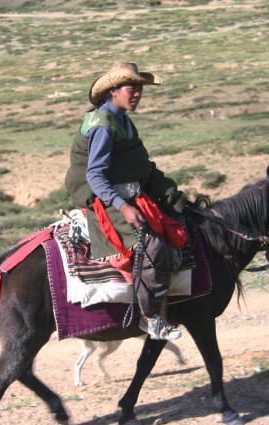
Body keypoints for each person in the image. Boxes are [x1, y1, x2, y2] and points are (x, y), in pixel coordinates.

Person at [65, 62, 188, 340]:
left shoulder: (123, 120)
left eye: (140, 90)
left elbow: (141, 166)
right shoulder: (103, 126)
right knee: (153, 248)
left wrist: (172, 195)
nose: (138, 95)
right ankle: (152, 318)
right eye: (132, 89)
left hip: (130, 192)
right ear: (114, 91)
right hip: (105, 198)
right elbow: (95, 176)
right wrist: (123, 207)